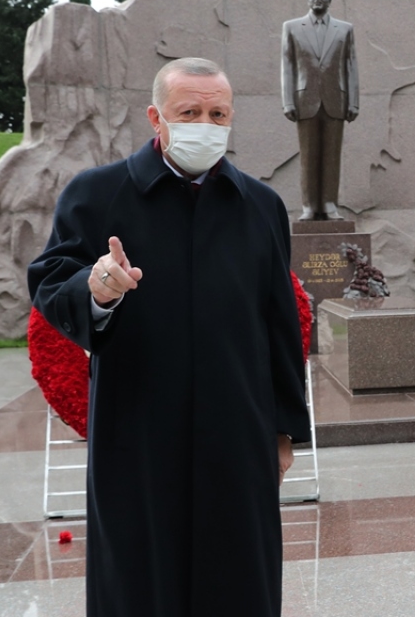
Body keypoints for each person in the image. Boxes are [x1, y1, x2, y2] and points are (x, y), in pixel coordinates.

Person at [28, 57, 310, 617]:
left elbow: (279, 324)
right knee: (140, 582)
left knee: (239, 581)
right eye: (190, 112)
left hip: (238, 434)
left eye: (217, 113)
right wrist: (96, 287)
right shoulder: (95, 194)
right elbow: (51, 287)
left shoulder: (261, 206)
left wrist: (283, 430)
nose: (204, 123)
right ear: (157, 117)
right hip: (137, 434)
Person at [281, 0, 359, 221]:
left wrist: (354, 102)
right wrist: (288, 101)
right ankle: (308, 206)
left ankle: (329, 204)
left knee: (331, 156)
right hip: (305, 101)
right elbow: (288, 66)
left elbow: (351, 67)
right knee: (308, 156)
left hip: (336, 100)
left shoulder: (344, 29)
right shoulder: (292, 27)